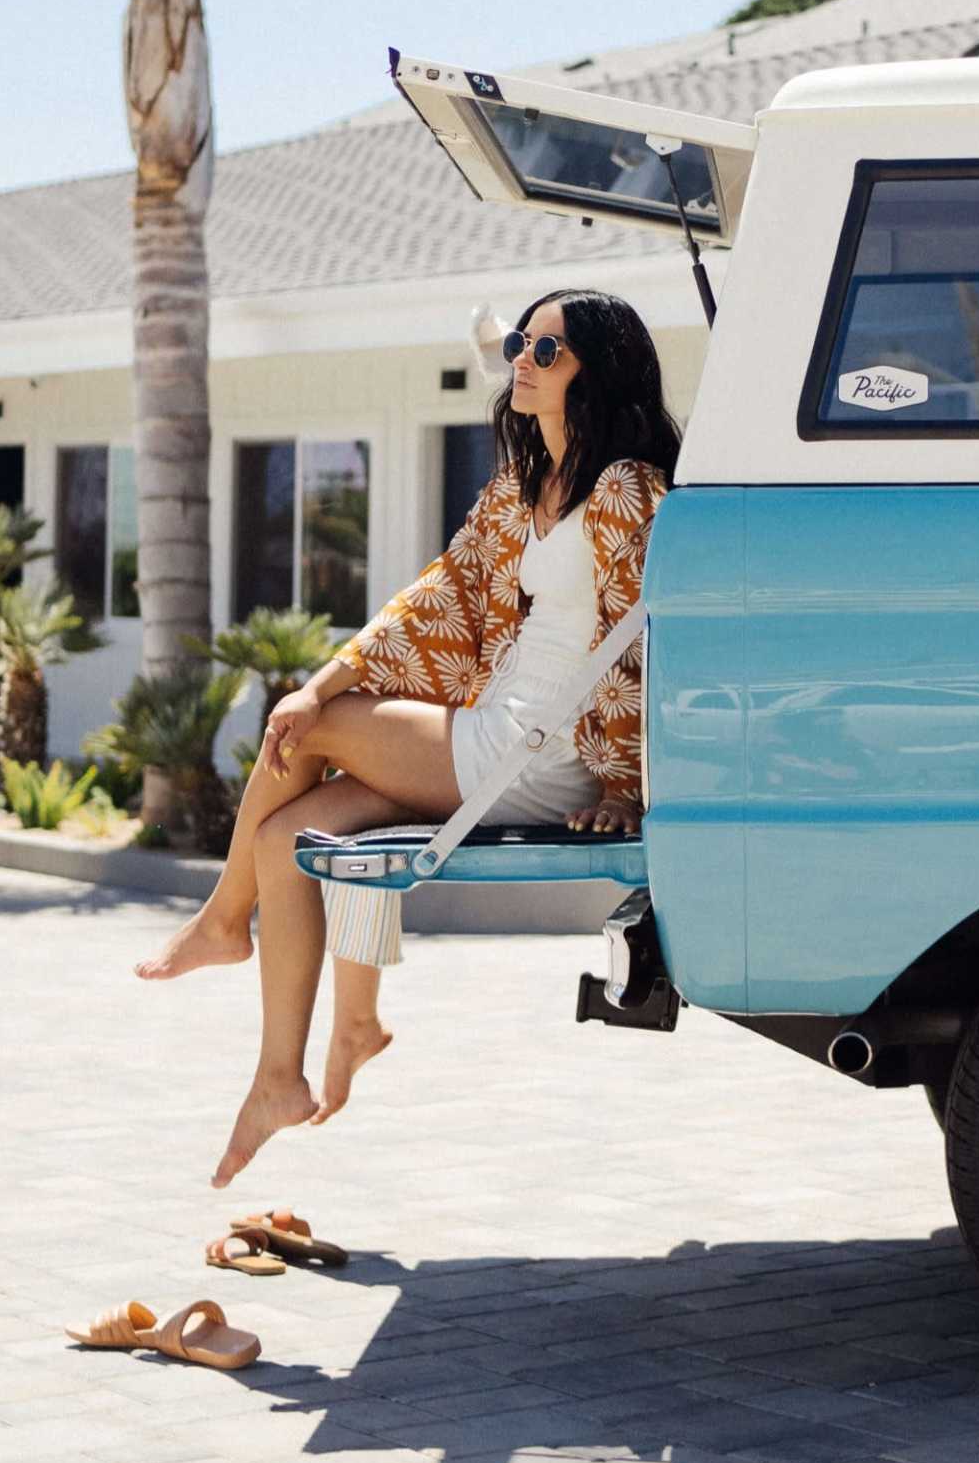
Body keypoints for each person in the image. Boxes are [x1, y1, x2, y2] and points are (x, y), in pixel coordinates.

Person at [137, 288, 676, 1186]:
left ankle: (225, 922)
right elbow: (440, 594)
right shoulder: (518, 489)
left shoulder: (624, 488)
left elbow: (643, 642)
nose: (523, 361)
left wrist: (626, 783)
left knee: (314, 733)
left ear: (597, 372)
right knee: (286, 834)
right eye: (519, 342)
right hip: (490, 729)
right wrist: (319, 681)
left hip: (537, 746)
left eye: (548, 351)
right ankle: (287, 1070)